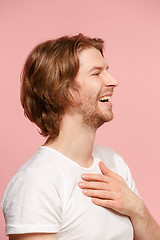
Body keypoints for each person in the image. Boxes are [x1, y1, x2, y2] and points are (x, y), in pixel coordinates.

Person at [1, 34, 160, 240]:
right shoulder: (35, 182)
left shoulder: (113, 162)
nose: (113, 81)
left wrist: (137, 209)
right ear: (61, 90)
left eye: (107, 71)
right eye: (96, 73)